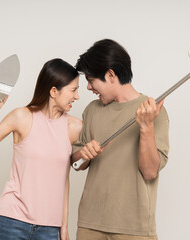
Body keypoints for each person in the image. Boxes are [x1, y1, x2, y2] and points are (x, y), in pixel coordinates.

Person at [0, 58, 82, 240]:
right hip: (11, 221)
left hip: (49, 228)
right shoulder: (21, 117)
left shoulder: (74, 127)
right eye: (74, 90)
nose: (77, 96)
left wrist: (64, 227)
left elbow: (64, 180)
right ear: (54, 91)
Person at [71, 39, 169, 240]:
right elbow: (76, 162)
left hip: (134, 229)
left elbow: (150, 172)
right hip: (90, 224)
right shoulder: (92, 110)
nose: (89, 87)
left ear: (110, 74)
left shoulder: (152, 111)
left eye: (91, 80)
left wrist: (146, 126)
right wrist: (84, 153)